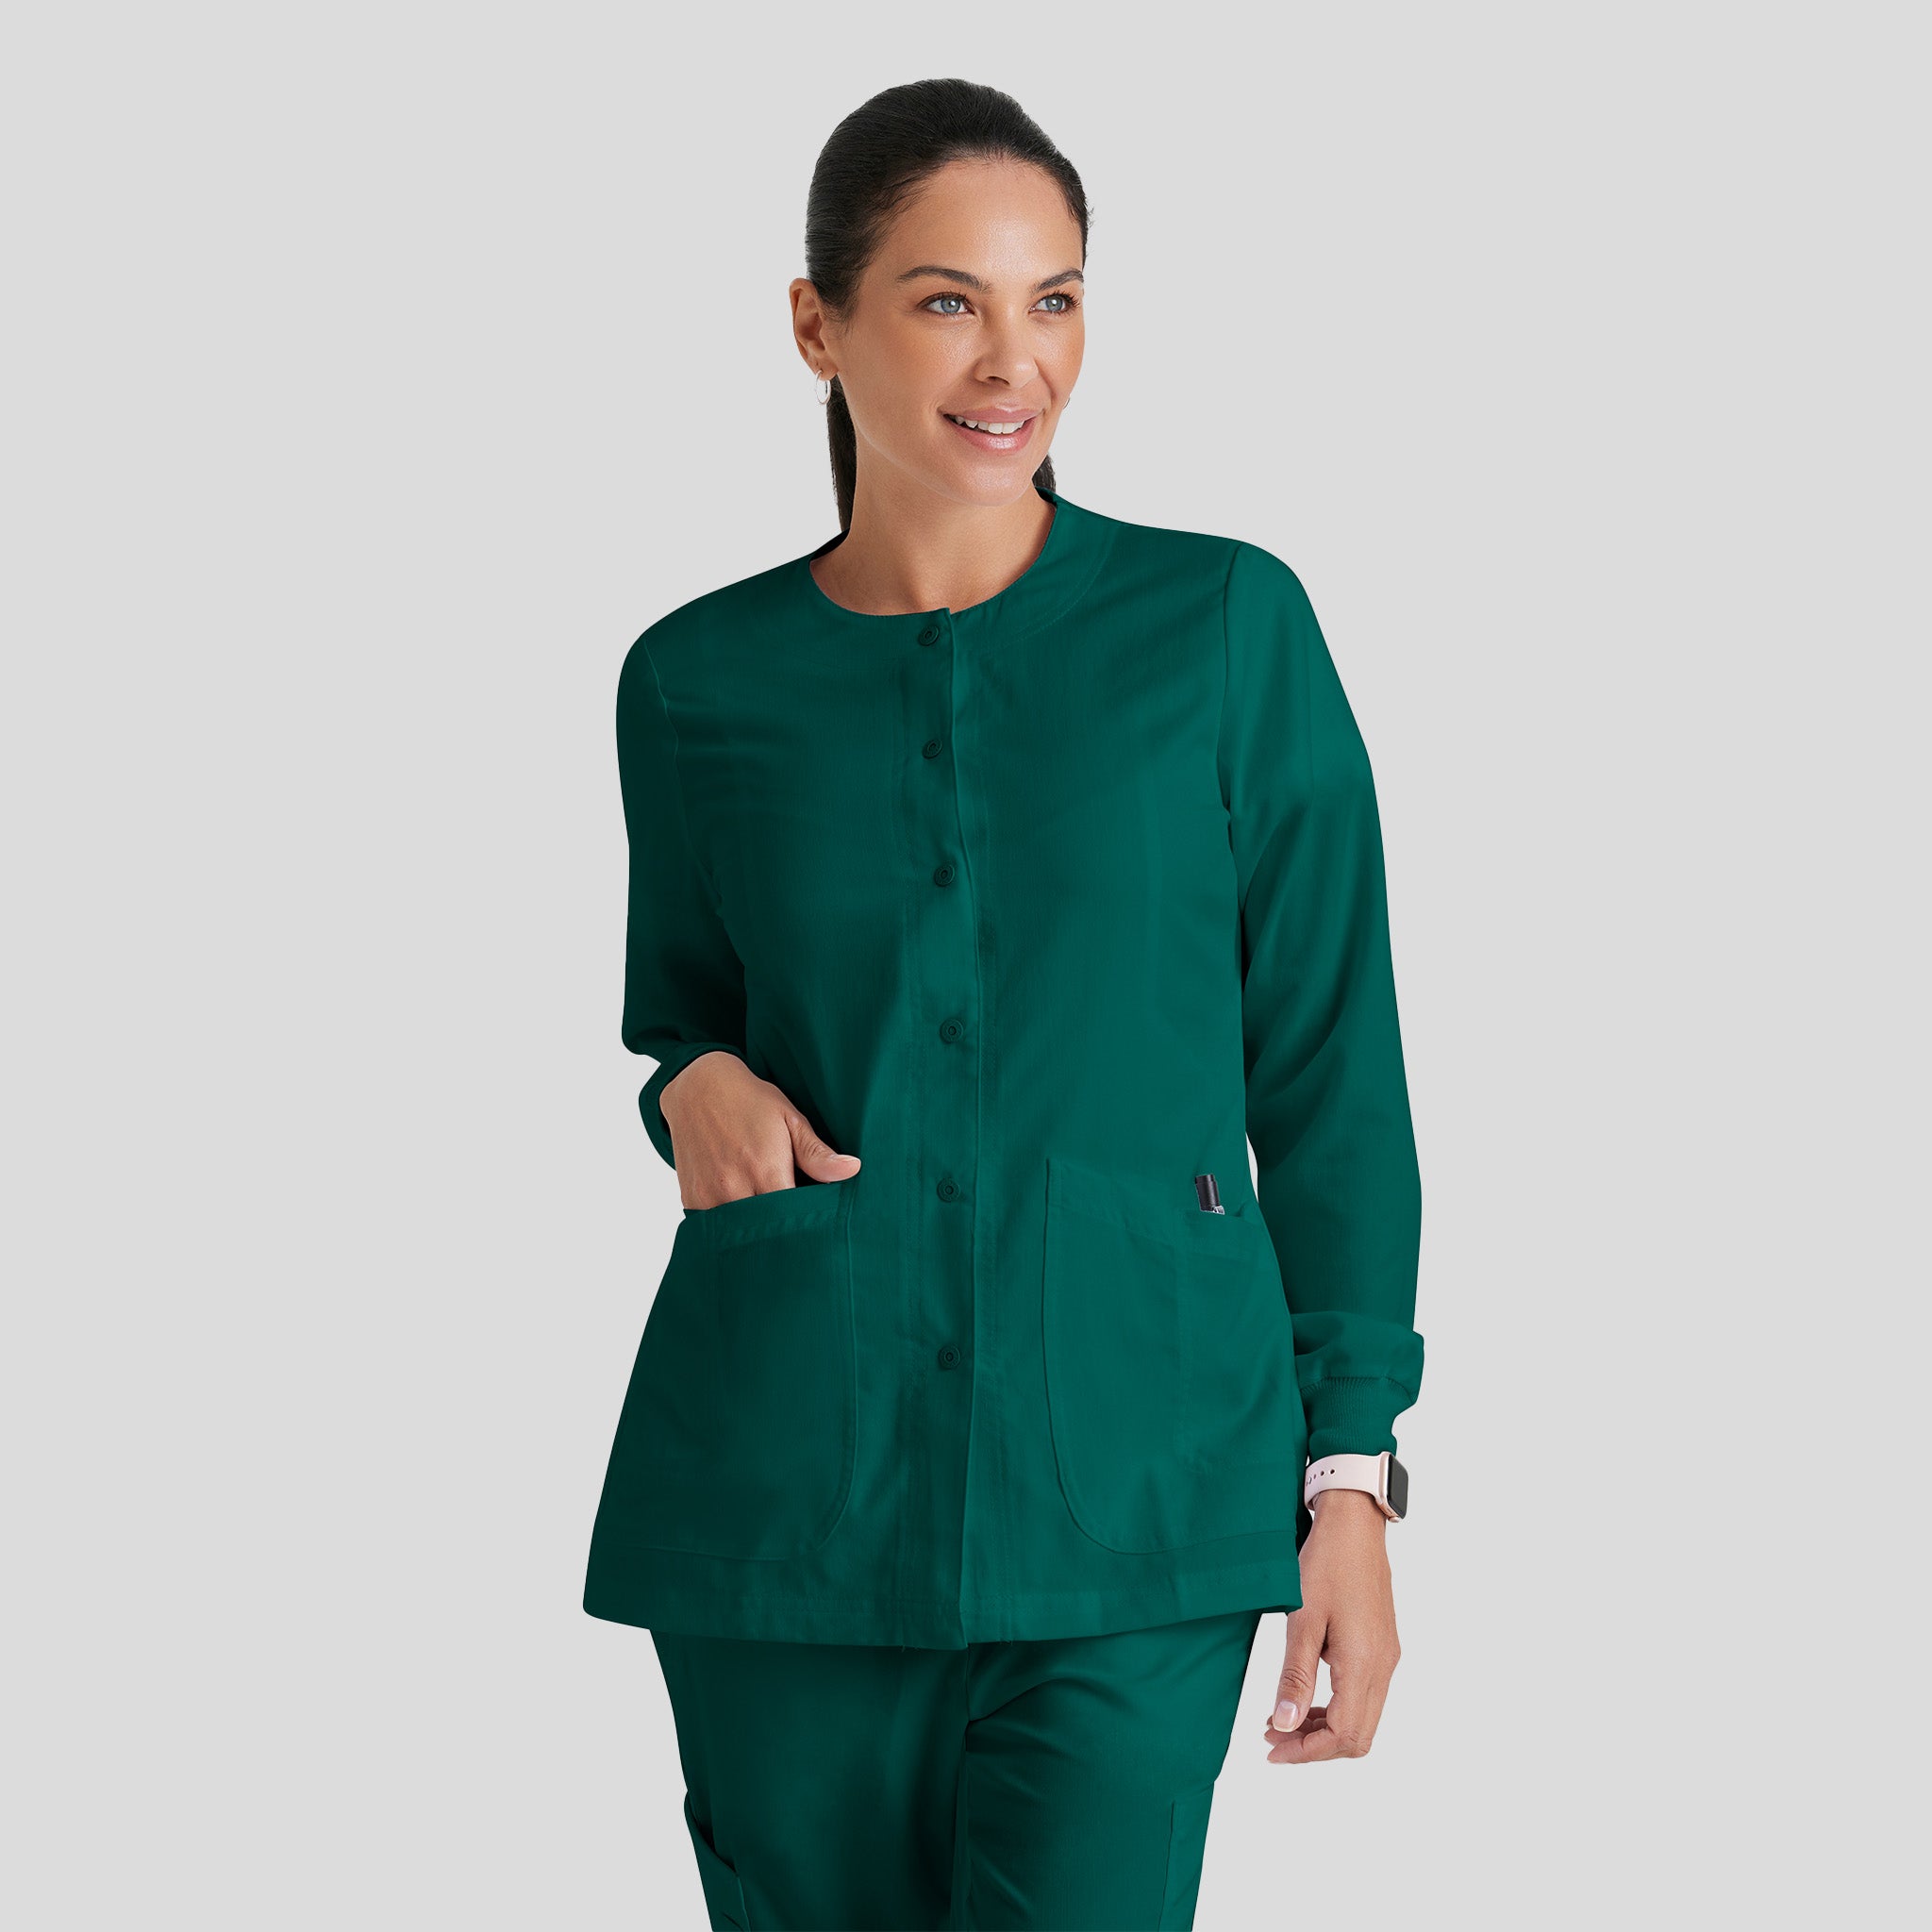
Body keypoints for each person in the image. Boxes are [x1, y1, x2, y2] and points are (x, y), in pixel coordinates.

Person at [584, 77, 1425, 1932]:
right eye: (946, 299)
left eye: (1053, 299)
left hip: (1142, 1487)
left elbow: (1330, 1078)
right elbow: (684, 1014)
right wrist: (687, 1083)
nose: (1011, 358)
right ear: (817, 324)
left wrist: (1350, 1482)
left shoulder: (1223, 629)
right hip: (787, 1501)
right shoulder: (696, 681)